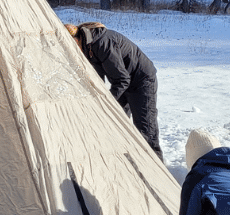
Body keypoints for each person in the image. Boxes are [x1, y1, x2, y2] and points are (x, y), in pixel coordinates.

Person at [65, 22, 163, 159]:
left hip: (141, 81)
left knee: (145, 127)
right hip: (123, 82)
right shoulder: (88, 47)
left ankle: (156, 168)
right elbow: (98, 78)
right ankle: (124, 161)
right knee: (115, 122)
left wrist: (108, 102)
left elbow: (123, 79)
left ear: (76, 39)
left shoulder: (102, 43)